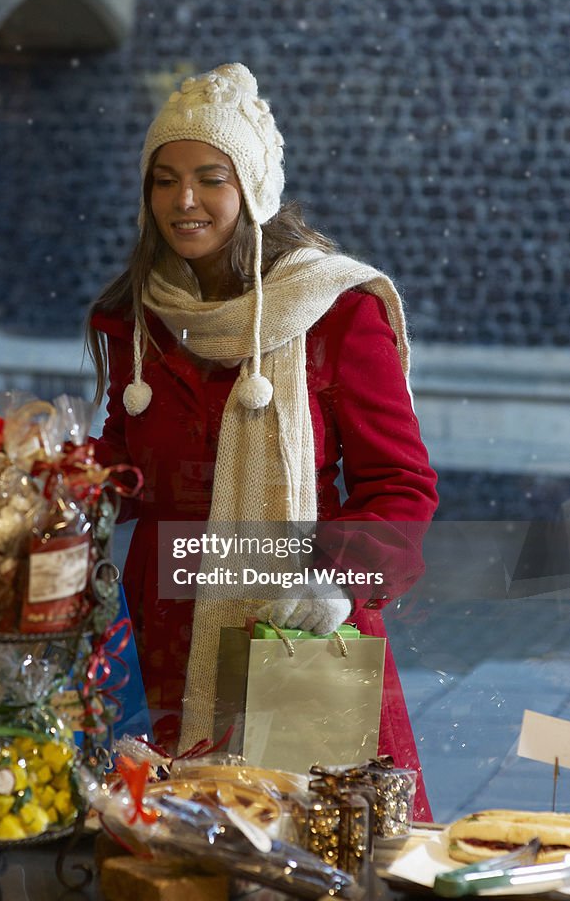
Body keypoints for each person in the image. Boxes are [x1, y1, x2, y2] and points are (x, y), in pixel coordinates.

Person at [86, 63, 438, 820]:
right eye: (163, 179)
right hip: (164, 629)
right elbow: (123, 463)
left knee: (321, 843)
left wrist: (340, 582)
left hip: (301, 616)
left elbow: (401, 487)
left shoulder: (334, 311)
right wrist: (36, 488)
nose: (183, 200)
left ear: (251, 187)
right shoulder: (135, 319)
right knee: (172, 847)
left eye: (210, 177)